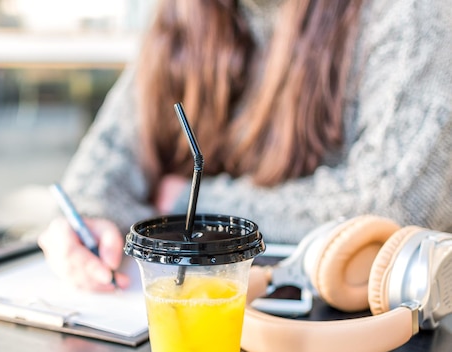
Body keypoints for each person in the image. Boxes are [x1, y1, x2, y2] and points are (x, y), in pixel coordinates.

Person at [38, 0, 452, 292]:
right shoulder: (180, 14)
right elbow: (104, 165)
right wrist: (89, 220)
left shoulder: (410, 13)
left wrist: (185, 204)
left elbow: (395, 205)